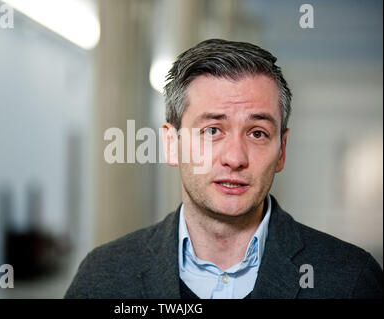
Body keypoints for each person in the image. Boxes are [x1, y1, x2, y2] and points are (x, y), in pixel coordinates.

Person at [65, 39, 382, 299]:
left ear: (282, 150)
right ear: (171, 144)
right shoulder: (103, 277)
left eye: (257, 133)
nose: (235, 157)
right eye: (212, 130)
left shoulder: (351, 280)